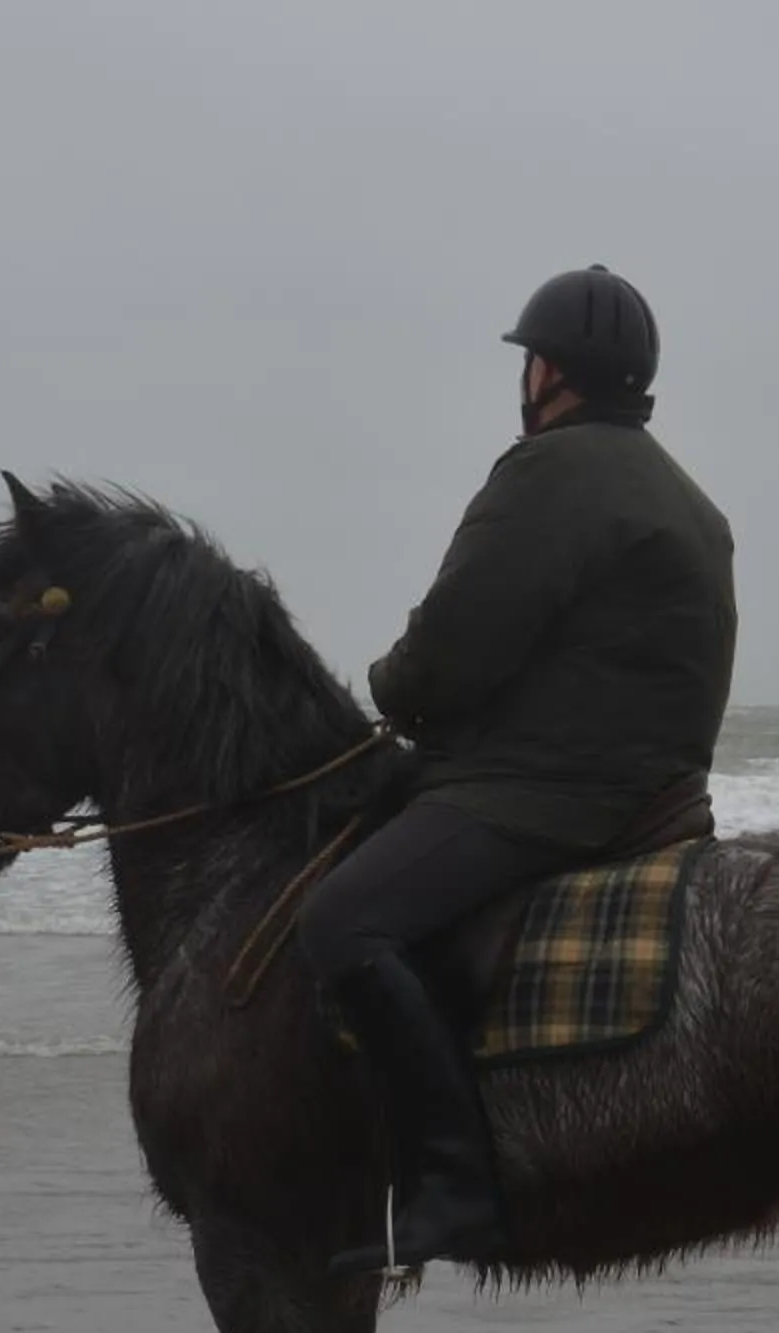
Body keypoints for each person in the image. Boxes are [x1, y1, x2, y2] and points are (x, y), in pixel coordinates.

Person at [297, 264, 739, 1274]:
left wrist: (386, 685)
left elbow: (451, 653)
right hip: (655, 787)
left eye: (530, 357)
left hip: (550, 794)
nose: (526, 376)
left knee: (340, 921)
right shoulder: (688, 495)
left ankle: (454, 1189)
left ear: (553, 370)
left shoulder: (549, 471)